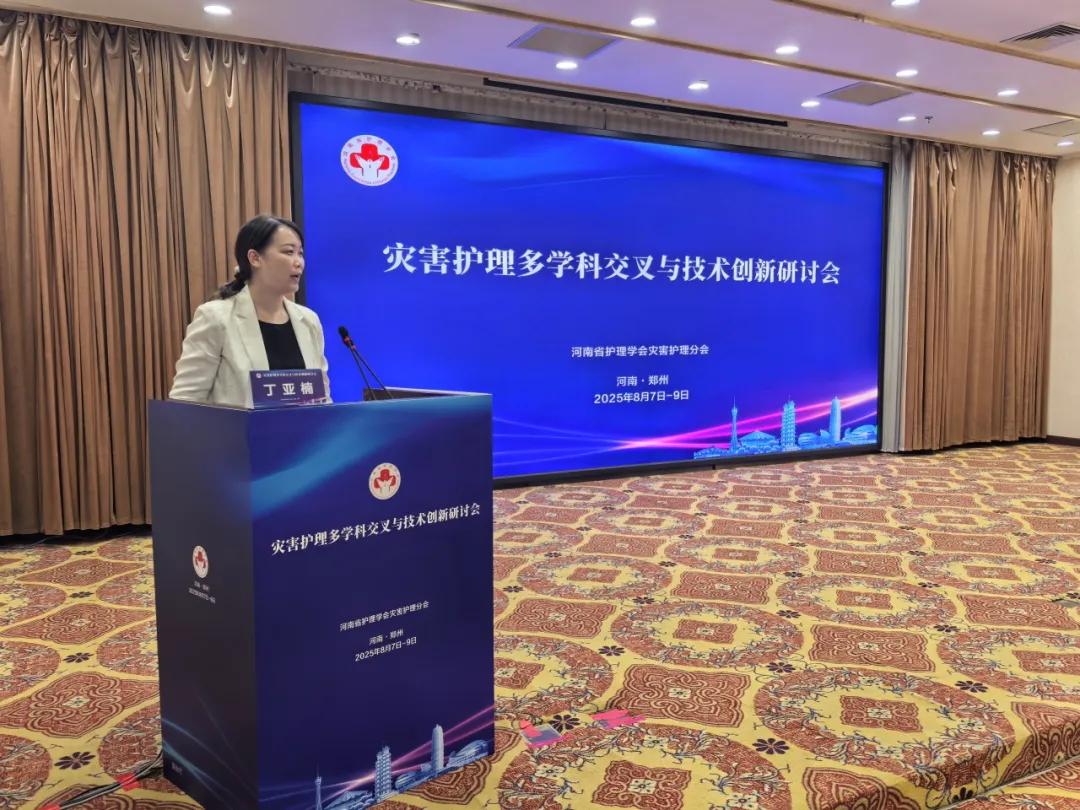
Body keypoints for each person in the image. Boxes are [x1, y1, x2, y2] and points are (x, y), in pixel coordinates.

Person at [169, 214, 330, 407]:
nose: (299, 262)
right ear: (255, 258)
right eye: (289, 252)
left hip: (304, 428)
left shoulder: (309, 320)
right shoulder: (216, 318)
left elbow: (322, 398)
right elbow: (185, 400)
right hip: (236, 428)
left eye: (300, 254)